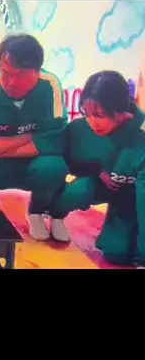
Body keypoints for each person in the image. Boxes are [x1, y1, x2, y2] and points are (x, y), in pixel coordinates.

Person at [0, 33, 69, 241]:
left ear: (37, 72)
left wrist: (1, 148)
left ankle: (37, 211)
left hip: (32, 165)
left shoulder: (50, 86)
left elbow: (55, 141)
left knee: (53, 166)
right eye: (5, 72)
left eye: (20, 74)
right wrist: (28, 137)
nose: (11, 82)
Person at [49, 71, 145, 268]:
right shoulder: (79, 130)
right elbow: (66, 160)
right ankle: (53, 213)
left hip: (134, 196)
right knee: (79, 189)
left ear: (121, 111)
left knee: (120, 253)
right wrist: (95, 170)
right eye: (87, 114)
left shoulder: (140, 137)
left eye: (99, 115)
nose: (93, 122)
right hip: (104, 187)